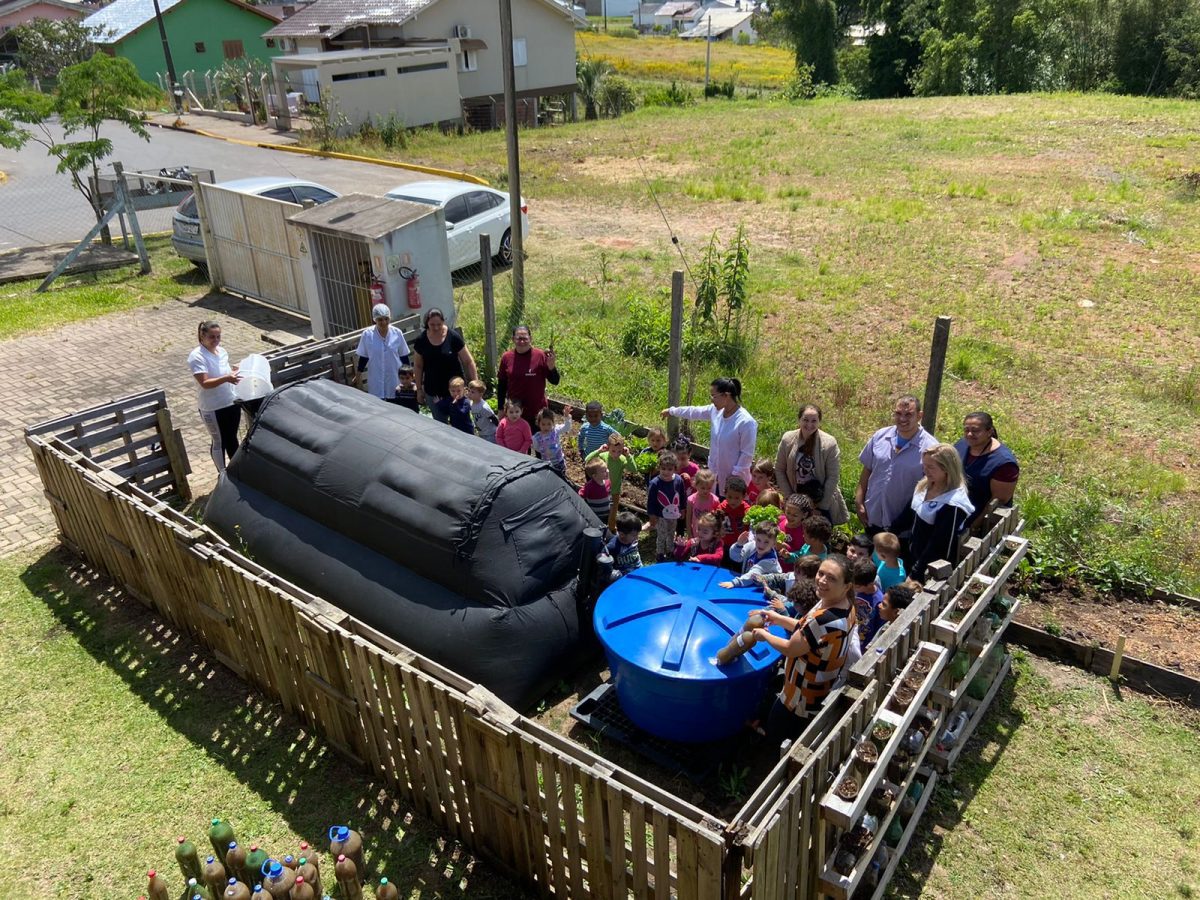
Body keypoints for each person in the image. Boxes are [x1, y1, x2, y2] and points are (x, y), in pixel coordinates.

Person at [752, 555, 857, 745]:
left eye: (831, 578)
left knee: (778, 730)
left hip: (802, 694)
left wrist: (764, 635)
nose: (822, 580)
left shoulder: (824, 620)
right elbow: (805, 629)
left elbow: (791, 648)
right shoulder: (844, 607)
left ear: (847, 585)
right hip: (820, 686)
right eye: (821, 573)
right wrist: (777, 618)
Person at [854, 395, 939, 537]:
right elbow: (868, 468)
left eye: (908, 414)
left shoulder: (931, 448)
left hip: (902, 528)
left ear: (919, 416)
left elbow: (932, 487)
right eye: (898, 413)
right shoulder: (880, 436)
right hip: (872, 517)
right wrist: (859, 499)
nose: (902, 419)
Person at [661, 377, 758, 495]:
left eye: (714, 396)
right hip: (713, 477)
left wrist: (734, 478)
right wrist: (672, 411)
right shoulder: (716, 411)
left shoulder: (746, 422)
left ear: (726, 395)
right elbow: (694, 411)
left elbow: (746, 456)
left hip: (733, 483)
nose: (712, 400)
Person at [894, 443, 975, 582]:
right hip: (913, 554)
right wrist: (889, 531)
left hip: (930, 571)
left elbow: (938, 545)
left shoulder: (953, 504)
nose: (926, 471)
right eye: (924, 465)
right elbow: (909, 514)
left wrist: (916, 573)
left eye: (931, 467)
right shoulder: (925, 485)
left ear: (947, 469)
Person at [774, 404, 850, 525]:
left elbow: (833, 477)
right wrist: (790, 498)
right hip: (794, 499)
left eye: (814, 421)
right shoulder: (787, 439)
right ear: (799, 419)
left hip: (820, 500)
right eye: (805, 420)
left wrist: (821, 507)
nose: (809, 425)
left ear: (819, 422)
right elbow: (779, 469)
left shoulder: (829, 444)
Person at [188, 320, 242, 474]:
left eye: (218, 336)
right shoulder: (196, 357)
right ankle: (222, 473)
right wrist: (227, 378)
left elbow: (223, 371)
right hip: (212, 407)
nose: (216, 341)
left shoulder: (222, 351)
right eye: (212, 337)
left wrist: (234, 370)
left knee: (232, 438)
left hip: (230, 401)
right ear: (202, 335)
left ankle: (237, 471)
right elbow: (205, 382)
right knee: (219, 441)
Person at [412, 308, 478, 423]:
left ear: (444, 321)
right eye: (432, 325)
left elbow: (468, 361)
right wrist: (419, 390)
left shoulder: (453, 337)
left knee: (461, 424)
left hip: (456, 391)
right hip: (434, 393)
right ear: (426, 323)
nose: (436, 327)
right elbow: (418, 366)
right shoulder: (421, 340)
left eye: (439, 324)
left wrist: (475, 386)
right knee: (440, 427)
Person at [955, 411, 1020, 528]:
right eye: (966, 430)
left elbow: (998, 501)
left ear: (989, 432)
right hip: (956, 512)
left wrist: (974, 526)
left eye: (975, 430)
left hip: (981, 521)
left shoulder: (1004, 463)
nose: (969, 434)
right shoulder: (962, 445)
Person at [496, 325, 560, 429]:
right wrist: (500, 408)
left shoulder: (540, 356)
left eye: (525, 338)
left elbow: (555, 381)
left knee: (538, 443)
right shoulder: (506, 357)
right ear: (513, 339)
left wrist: (552, 367)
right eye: (518, 338)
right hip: (515, 413)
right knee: (516, 443)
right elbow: (502, 384)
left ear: (530, 338)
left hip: (537, 413)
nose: (522, 342)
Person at [354, 304, 411, 403]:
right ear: (374, 319)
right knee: (379, 408)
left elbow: (404, 356)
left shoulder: (397, 333)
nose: (384, 322)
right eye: (380, 319)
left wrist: (409, 376)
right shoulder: (367, 335)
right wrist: (358, 374)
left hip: (394, 378)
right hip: (376, 378)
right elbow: (364, 357)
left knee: (396, 406)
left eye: (386, 319)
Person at [586, 432, 639, 533]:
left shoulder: (622, 459)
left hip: (615, 490)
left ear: (623, 449)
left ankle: (611, 529)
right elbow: (587, 460)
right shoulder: (603, 456)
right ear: (608, 447)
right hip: (601, 489)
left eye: (619, 451)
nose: (616, 454)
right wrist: (599, 450)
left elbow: (634, 469)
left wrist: (628, 456)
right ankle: (596, 524)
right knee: (599, 509)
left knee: (613, 511)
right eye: (613, 451)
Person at [645, 450, 685, 561]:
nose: (666, 472)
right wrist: (652, 515)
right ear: (659, 468)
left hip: (674, 514)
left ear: (675, 469)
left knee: (671, 532)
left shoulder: (678, 480)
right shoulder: (655, 483)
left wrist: (682, 509)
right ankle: (660, 552)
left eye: (669, 469)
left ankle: (670, 550)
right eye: (663, 469)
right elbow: (651, 501)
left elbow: (682, 495)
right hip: (660, 515)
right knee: (661, 534)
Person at [720, 521, 782, 588]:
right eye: (758, 540)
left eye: (766, 542)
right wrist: (738, 545)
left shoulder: (770, 561)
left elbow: (754, 574)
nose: (761, 544)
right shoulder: (752, 546)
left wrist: (735, 583)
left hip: (767, 590)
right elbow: (736, 557)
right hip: (750, 584)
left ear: (774, 543)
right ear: (755, 537)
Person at [531, 405, 574, 476]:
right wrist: (543, 450)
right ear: (539, 424)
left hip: (559, 462)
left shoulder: (555, 430)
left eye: (549, 424)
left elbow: (567, 427)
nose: (546, 427)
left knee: (562, 477)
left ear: (553, 423)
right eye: (543, 424)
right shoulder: (537, 436)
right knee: (549, 479)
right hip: (546, 463)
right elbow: (536, 447)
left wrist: (566, 416)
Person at [850, 557, 884, 645]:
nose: (854, 588)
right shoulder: (856, 589)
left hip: (865, 641)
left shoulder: (879, 601)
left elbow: (879, 626)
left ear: (870, 584)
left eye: (857, 586)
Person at [606, 511, 644, 580]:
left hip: (639, 570)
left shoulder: (632, 540)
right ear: (622, 534)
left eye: (638, 534)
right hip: (625, 578)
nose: (637, 537)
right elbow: (604, 558)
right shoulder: (613, 546)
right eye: (634, 535)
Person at [717, 476, 750, 552]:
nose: (733, 501)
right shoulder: (721, 508)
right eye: (730, 497)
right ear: (724, 493)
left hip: (740, 546)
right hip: (724, 545)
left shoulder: (747, 511)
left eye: (737, 498)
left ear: (744, 496)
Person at [685, 468, 718, 537]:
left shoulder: (715, 500)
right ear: (696, 485)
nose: (705, 491)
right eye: (703, 488)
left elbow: (717, 519)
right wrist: (690, 534)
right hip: (695, 533)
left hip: (709, 535)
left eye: (709, 488)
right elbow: (688, 518)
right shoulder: (691, 500)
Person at [579, 457, 612, 524]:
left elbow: (610, 495)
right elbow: (580, 495)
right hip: (595, 516)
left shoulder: (608, 482)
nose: (607, 471)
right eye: (604, 471)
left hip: (607, 514)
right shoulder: (589, 486)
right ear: (594, 476)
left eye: (607, 469)